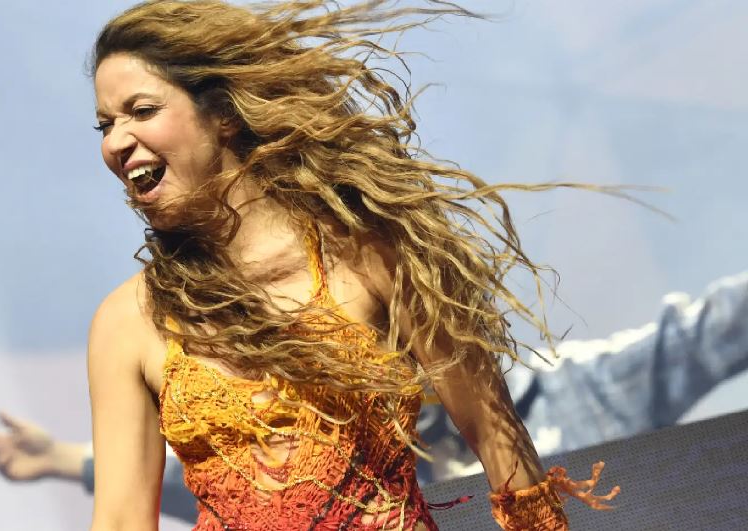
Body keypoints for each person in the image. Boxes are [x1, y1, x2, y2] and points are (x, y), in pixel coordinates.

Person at [56, 1, 623, 529]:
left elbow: (499, 443)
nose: (116, 143)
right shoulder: (128, 321)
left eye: (141, 112)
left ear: (223, 114)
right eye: (105, 125)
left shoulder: (373, 251)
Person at [0, 270, 748, 522]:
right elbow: (224, 481)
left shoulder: (580, 389)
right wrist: (69, 458)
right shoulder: (335, 441)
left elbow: (704, 332)